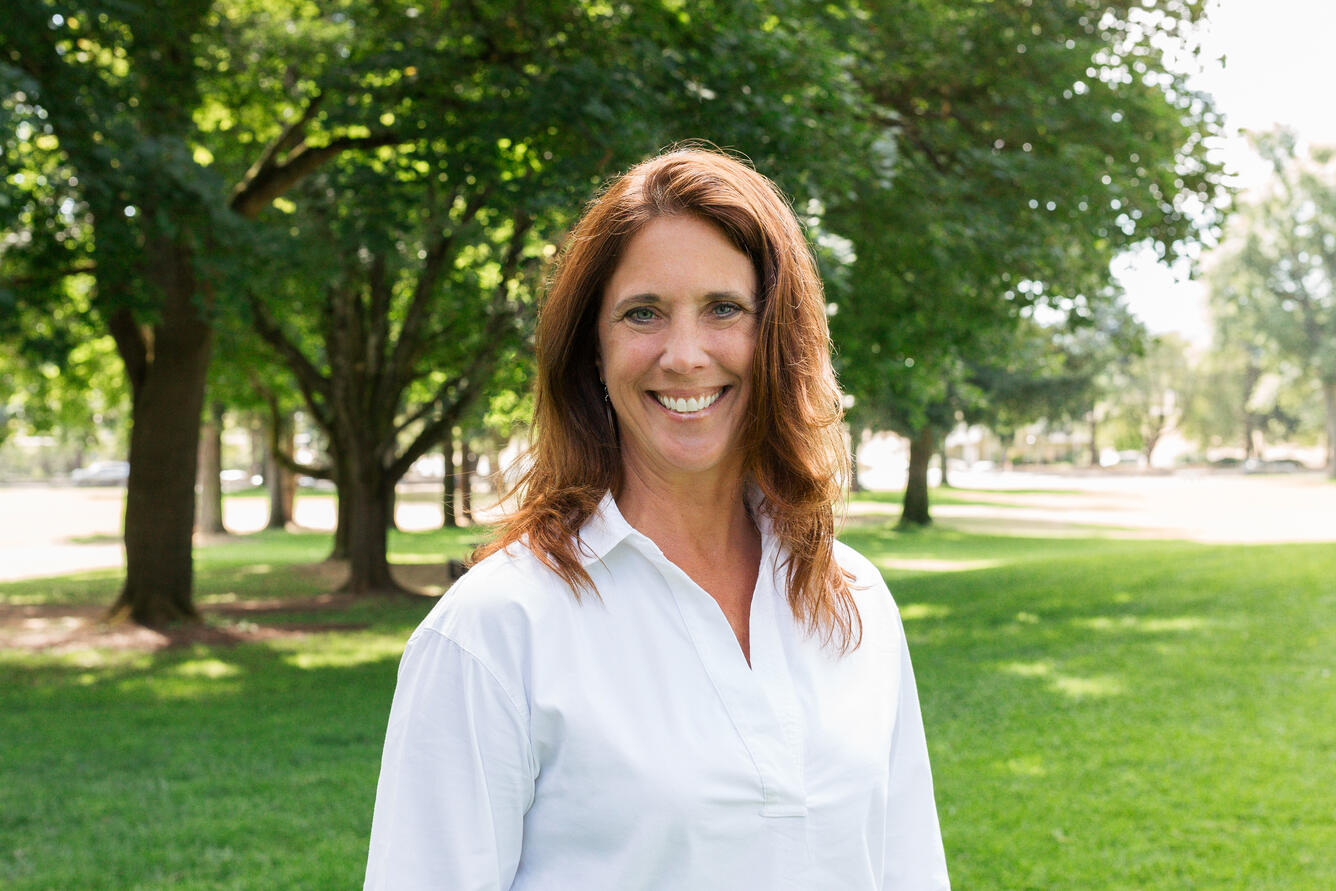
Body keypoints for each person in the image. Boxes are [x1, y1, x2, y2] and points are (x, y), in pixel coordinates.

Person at [364, 146, 950, 890]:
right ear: (593, 353)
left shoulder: (854, 599)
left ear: (779, 337)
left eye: (724, 309)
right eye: (644, 313)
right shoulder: (494, 630)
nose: (684, 354)